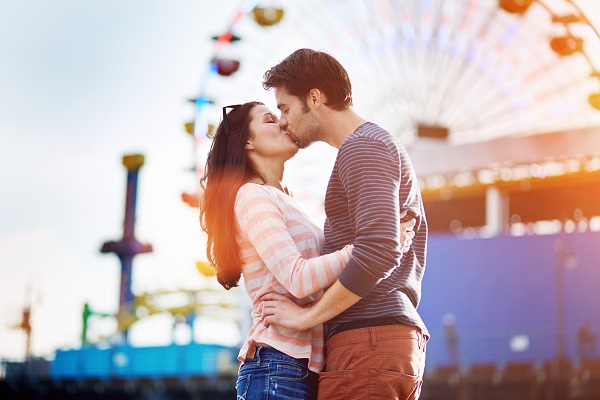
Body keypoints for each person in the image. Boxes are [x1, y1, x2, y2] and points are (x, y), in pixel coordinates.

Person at [198, 101, 416, 400]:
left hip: (305, 366)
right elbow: (298, 278)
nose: (284, 123)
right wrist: (375, 243)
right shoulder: (251, 196)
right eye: (270, 120)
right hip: (277, 363)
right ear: (248, 141)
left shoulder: (285, 199)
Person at [260, 48, 429, 400]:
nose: (283, 121)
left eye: (285, 108)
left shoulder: (363, 148)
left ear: (315, 98)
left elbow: (379, 251)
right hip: (380, 341)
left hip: (367, 339)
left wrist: (306, 317)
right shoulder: (372, 146)